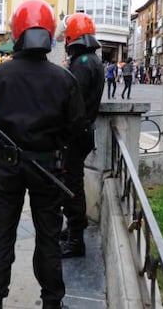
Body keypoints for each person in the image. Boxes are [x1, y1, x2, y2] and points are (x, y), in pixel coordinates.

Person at [0, 0, 86, 309]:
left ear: (17, 32)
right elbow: (74, 127)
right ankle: (52, 301)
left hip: (8, 166)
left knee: (3, 234)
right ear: (49, 33)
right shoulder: (64, 79)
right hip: (47, 167)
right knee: (48, 237)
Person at [60, 13, 105, 259]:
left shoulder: (82, 63)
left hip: (75, 135)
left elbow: (69, 99)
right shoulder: (91, 60)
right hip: (83, 132)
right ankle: (74, 229)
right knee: (72, 183)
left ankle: (76, 240)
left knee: (71, 186)